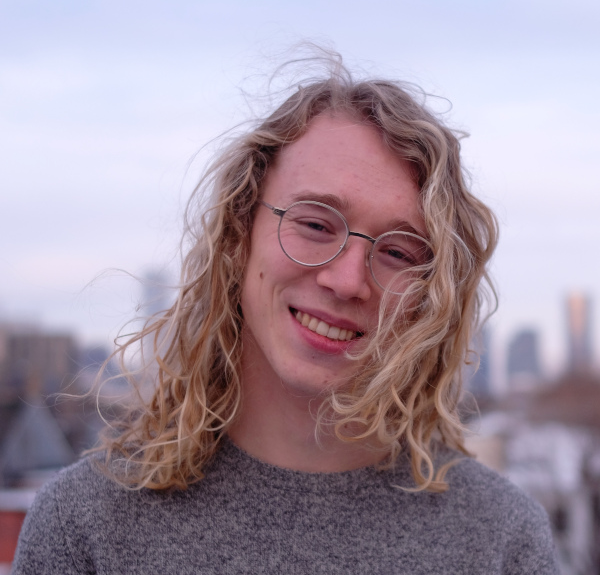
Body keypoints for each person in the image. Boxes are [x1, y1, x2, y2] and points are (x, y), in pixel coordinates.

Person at [12, 53, 559, 574]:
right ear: (240, 230)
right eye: (316, 224)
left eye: (397, 253)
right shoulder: (85, 527)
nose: (347, 280)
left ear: (430, 296)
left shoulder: (502, 542)